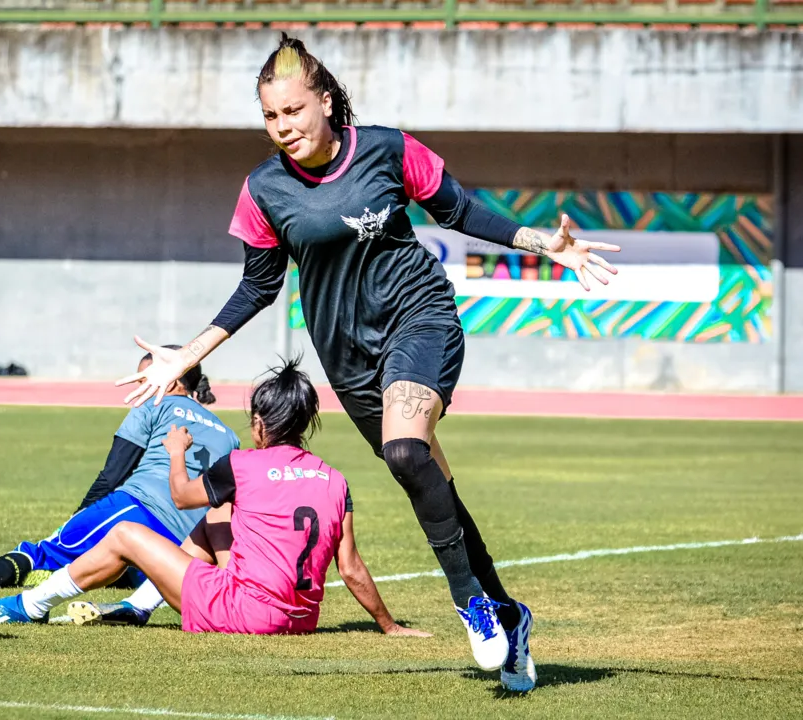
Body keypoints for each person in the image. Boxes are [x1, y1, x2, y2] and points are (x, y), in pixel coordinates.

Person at [115, 35, 623, 692]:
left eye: (293, 110)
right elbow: (257, 286)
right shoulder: (263, 189)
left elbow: (457, 209)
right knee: (428, 481)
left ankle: (471, 607)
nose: (283, 127)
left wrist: (540, 245)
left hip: (420, 319)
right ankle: (507, 612)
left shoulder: (386, 149)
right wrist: (185, 353)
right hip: (347, 359)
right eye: (270, 117)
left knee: (408, 453)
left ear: (327, 101)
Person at [0, 361, 430, 640]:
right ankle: (138, 606)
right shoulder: (335, 479)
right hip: (300, 621)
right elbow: (349, 567)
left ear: (258, 423)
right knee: (216, 516)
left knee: (126, 534)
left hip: (242, 612)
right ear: (307, 422)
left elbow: (179, 494)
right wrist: (388, 626)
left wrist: (176, 453)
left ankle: (29, 605)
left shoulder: (244, 463)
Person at [0, 349, 238, 618]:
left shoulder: (156, 404)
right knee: (125, 568)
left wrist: (77, 519)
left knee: (47, 549)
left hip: (138, 509)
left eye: (146, 378)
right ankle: (130, 603)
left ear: (174, 379)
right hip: (187, 542)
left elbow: (112, 474)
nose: (142, 385)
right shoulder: (231, 435)